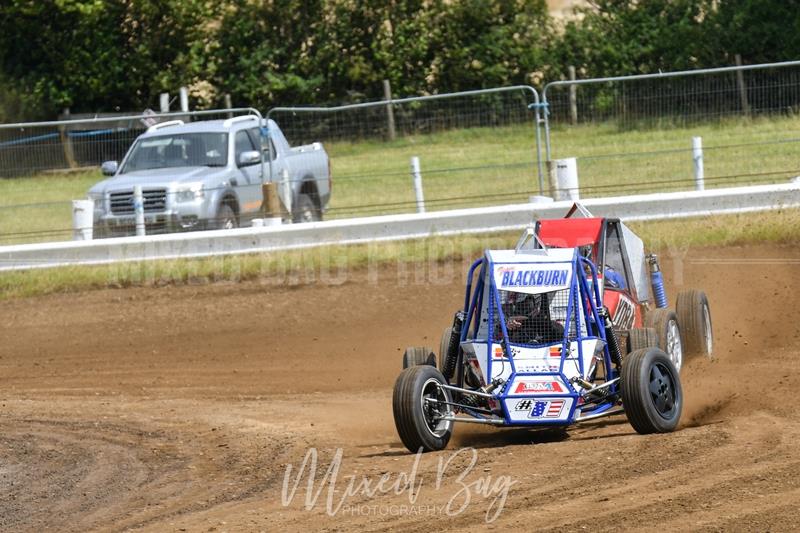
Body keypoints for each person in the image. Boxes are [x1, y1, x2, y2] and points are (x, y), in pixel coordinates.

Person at [498, 291, 564, 345]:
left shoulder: (543, 321)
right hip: (520, 342)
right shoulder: (514, 323)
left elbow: (543, 315)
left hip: (543, 337)